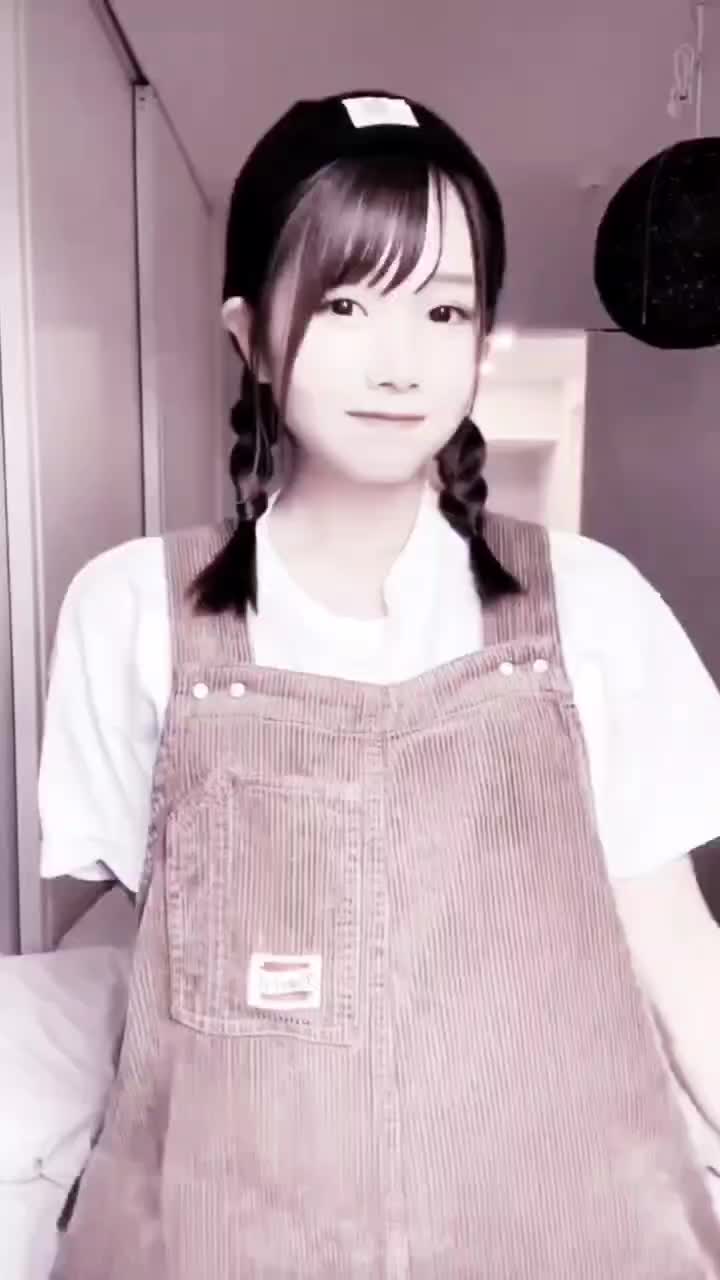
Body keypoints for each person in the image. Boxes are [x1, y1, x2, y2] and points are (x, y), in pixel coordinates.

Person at [41, 89, 720, 1277]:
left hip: (566, 1230)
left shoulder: (594, 602)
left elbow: (677, 948)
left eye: (444, 308)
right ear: (250, 333)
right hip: (229, 1236)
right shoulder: (130, 608)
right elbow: (145, 959)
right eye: (346, 302)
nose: (400, 360)